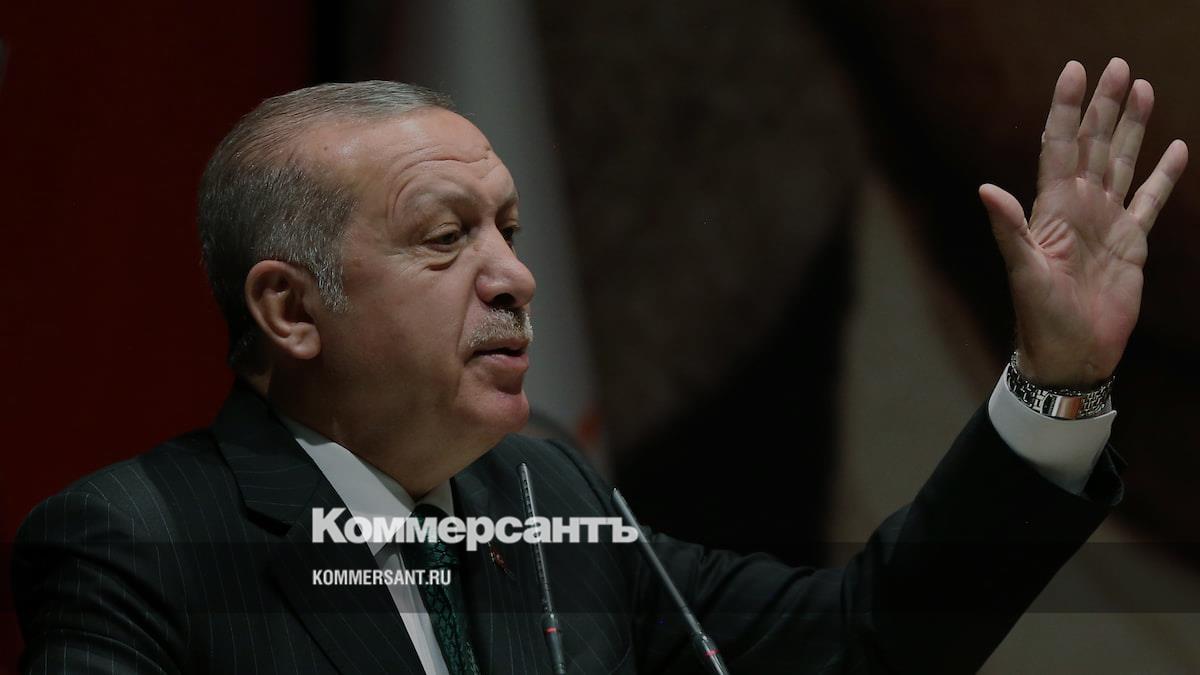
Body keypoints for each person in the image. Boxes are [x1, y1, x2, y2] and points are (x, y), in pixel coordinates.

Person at [11, 58, 1187, 674]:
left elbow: (864, 644)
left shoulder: (547, 498)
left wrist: (1058, 378)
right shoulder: (139, 542)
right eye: (445, 237)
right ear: (290, 309)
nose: (514, 277)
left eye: (510, 230)